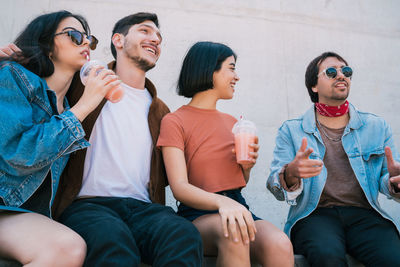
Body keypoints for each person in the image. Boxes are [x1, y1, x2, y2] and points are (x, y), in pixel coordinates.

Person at [52, 12, 203, 267]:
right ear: (118, 40)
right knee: (112, 241)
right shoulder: (83, 84)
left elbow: (173, 175)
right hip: (88, 206)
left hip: (144, 209)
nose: (155, 39)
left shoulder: (161, 111)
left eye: (158, 36)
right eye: (145, 31)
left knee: (184, 234)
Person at [157, 41, 294, 267]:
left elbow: (239, 183)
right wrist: (223, 204)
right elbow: (179, 187)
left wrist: (247, 168)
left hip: (238, 206)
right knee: (235, 232)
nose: (236, 76)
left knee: (279, 243)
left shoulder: (234, 124)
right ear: (209, 69)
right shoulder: (174, 121)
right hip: (198, 214)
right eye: (231, 68)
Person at [0, 10, 120, 266]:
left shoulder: (67, 106)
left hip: (26, 216)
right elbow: (19, 154)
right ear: (47, 44)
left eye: (90, 39)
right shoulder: (13, 76)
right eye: (75, 36)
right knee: (67, 247)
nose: (86, 43)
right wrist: (82, 108)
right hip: (4, 206)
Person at [267, 51, 400, 266]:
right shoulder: (292, 130)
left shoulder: (377, 126)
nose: (341, 75)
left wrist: (394, 183)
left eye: (346, 71)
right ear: (314, 86)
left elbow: (388, 177)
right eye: (331, 72)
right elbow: (275, 186)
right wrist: (290, 174)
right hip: (315, 215)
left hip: (364, 214)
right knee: (327, 257)